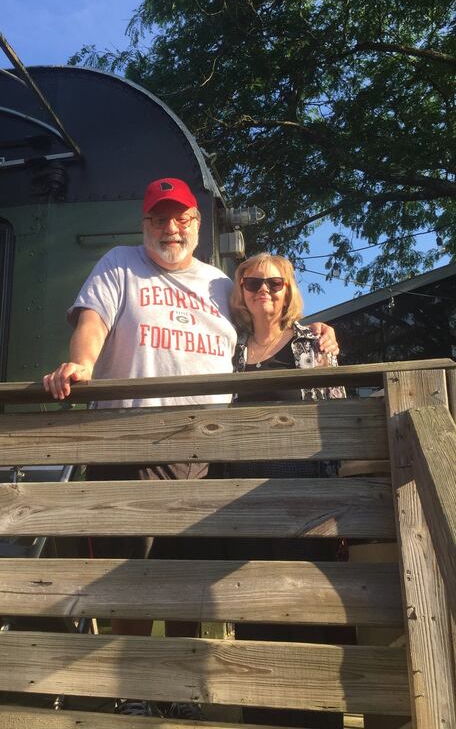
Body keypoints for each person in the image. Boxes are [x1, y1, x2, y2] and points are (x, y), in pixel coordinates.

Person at [43, 179, 339, 719]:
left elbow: (266, 331)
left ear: (198, 226)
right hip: (131, 444)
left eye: (180, 219)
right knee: (127, 580)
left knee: (185, 579)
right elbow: (93, 322)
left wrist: (317, 332)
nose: (170, 228)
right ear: (145, 225)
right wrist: (82, 364)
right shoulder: (120, 263)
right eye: (159, 219)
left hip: (206, 454)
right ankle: (133, 688)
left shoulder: (221, 284)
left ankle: (177, 690)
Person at [226, 252, 348, 729]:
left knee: (310, 611)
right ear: (240, 291)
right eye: (253, 282)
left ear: (288, 290)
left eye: (275, 284)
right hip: (244, 504)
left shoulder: (312, 343)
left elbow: (336, 418)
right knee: (254, 612)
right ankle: (263, 713)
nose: (264, 291)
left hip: (303, 501)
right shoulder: (228, 347)